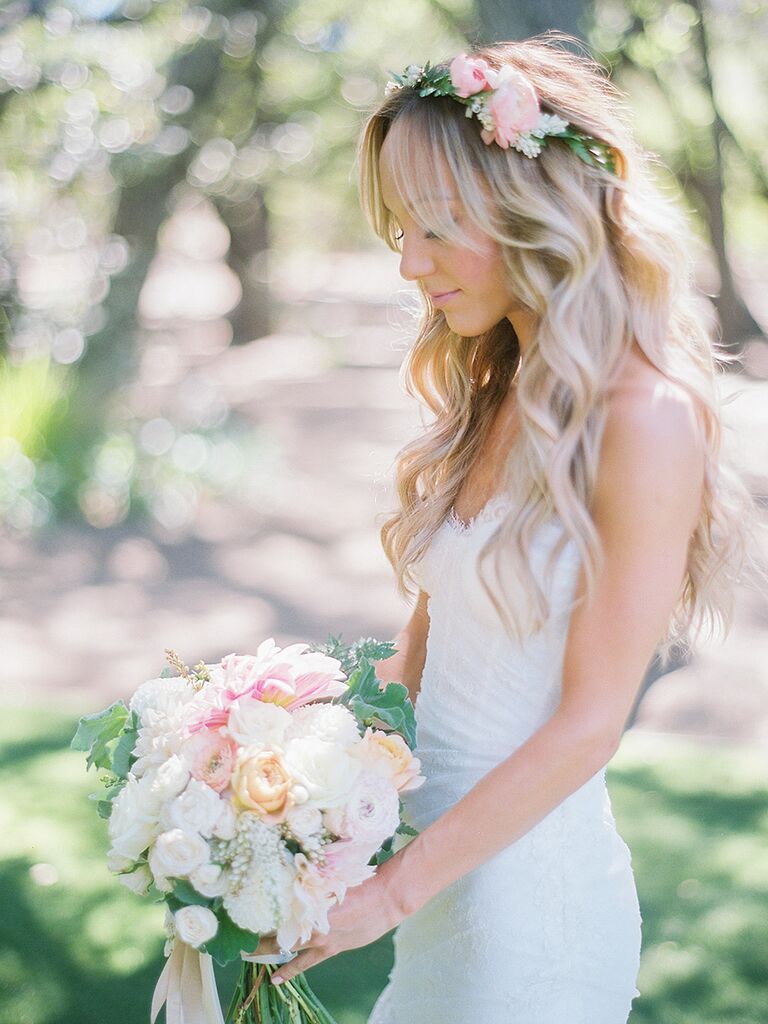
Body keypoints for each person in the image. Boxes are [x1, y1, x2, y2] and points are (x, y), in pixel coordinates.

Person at [258, 36, 755, 1023]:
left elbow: (588, 725)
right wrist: (289, 800)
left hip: (531, 919)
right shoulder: (499, 393)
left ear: (531, 214)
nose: (408, 263)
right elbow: (422, 654)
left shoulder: (643, 417)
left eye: (435, 228)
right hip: (440, 906)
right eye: (398, 230)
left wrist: (389, 892)